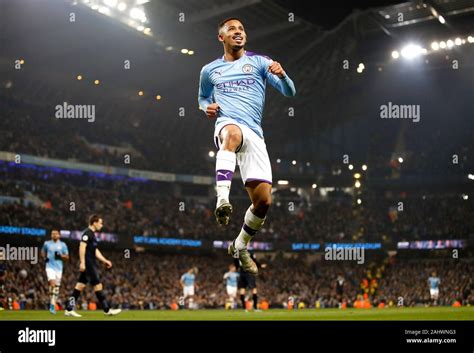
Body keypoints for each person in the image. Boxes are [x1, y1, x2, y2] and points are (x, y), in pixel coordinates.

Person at [198, 17, 296, 274]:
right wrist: (205, 107)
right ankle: (222, 200)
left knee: (263, 202)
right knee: (231, 134)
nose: (238, 32)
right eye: (232, 29)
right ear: (222, 37)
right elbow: (202, 97)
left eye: (241, 29)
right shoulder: (209, 70)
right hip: (228, 124)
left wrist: (283, 75)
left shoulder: (260, 62)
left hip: (255, 133)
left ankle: (240, 245)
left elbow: (290, 92)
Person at [65, 215, 121, 317]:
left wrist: (105, 260)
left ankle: (69, 308)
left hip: (90, 262)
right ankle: (106, 310)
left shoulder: (93, 235)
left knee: (80, 286)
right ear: (94, 222)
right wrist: (82, 262)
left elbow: (95, 250)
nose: (102, 225)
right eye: (100, 223)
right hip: (88, 264)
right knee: (98, 285)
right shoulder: (87, 233)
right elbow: (82, 247)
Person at [41, 229, 69, 314]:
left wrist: (61, 256)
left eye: (56, 234)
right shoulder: (47, 243)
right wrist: (44, 258)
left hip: (59, 268)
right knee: (52, 284)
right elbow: (42, 251)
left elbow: (67, 257)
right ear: (51, 235)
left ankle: (52, 304)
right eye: (53, 234)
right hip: (50, 266)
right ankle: (52, 305)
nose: (54, 235)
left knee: (56, 288)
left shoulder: (63, 245)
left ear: (59, 235)